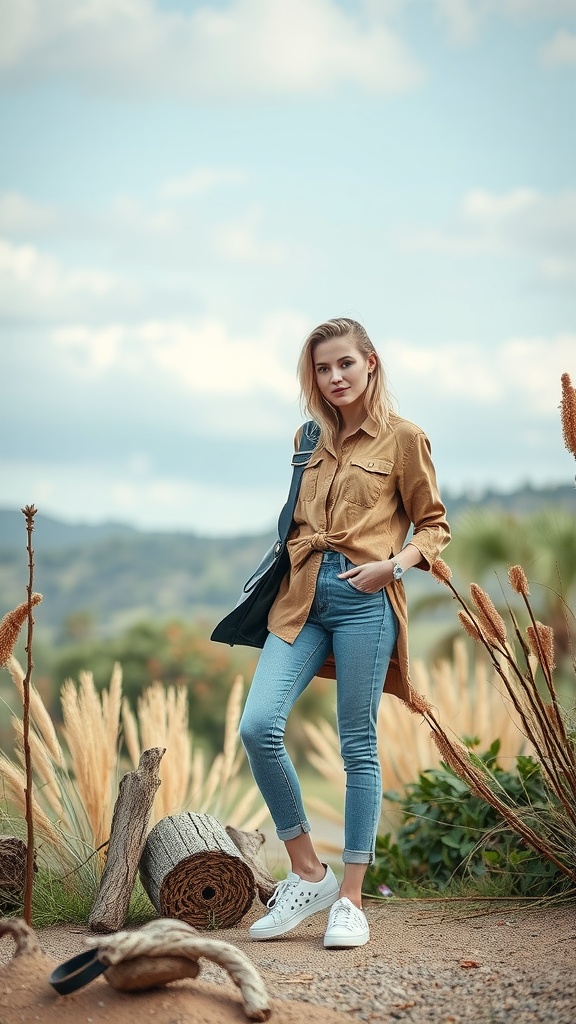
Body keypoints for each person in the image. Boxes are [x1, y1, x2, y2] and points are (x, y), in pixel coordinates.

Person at [238, 317, 450, 948]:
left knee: (356, 742)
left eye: (345, 365)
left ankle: (351, 900)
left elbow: (435, 526)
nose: (334, 378)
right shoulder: (307, 438)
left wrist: (395, 564)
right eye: (323, 369)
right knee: (258, 726)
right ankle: (309, 873)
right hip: (300, 597)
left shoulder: (405, 439)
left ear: (371, 364)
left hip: (365, 598)